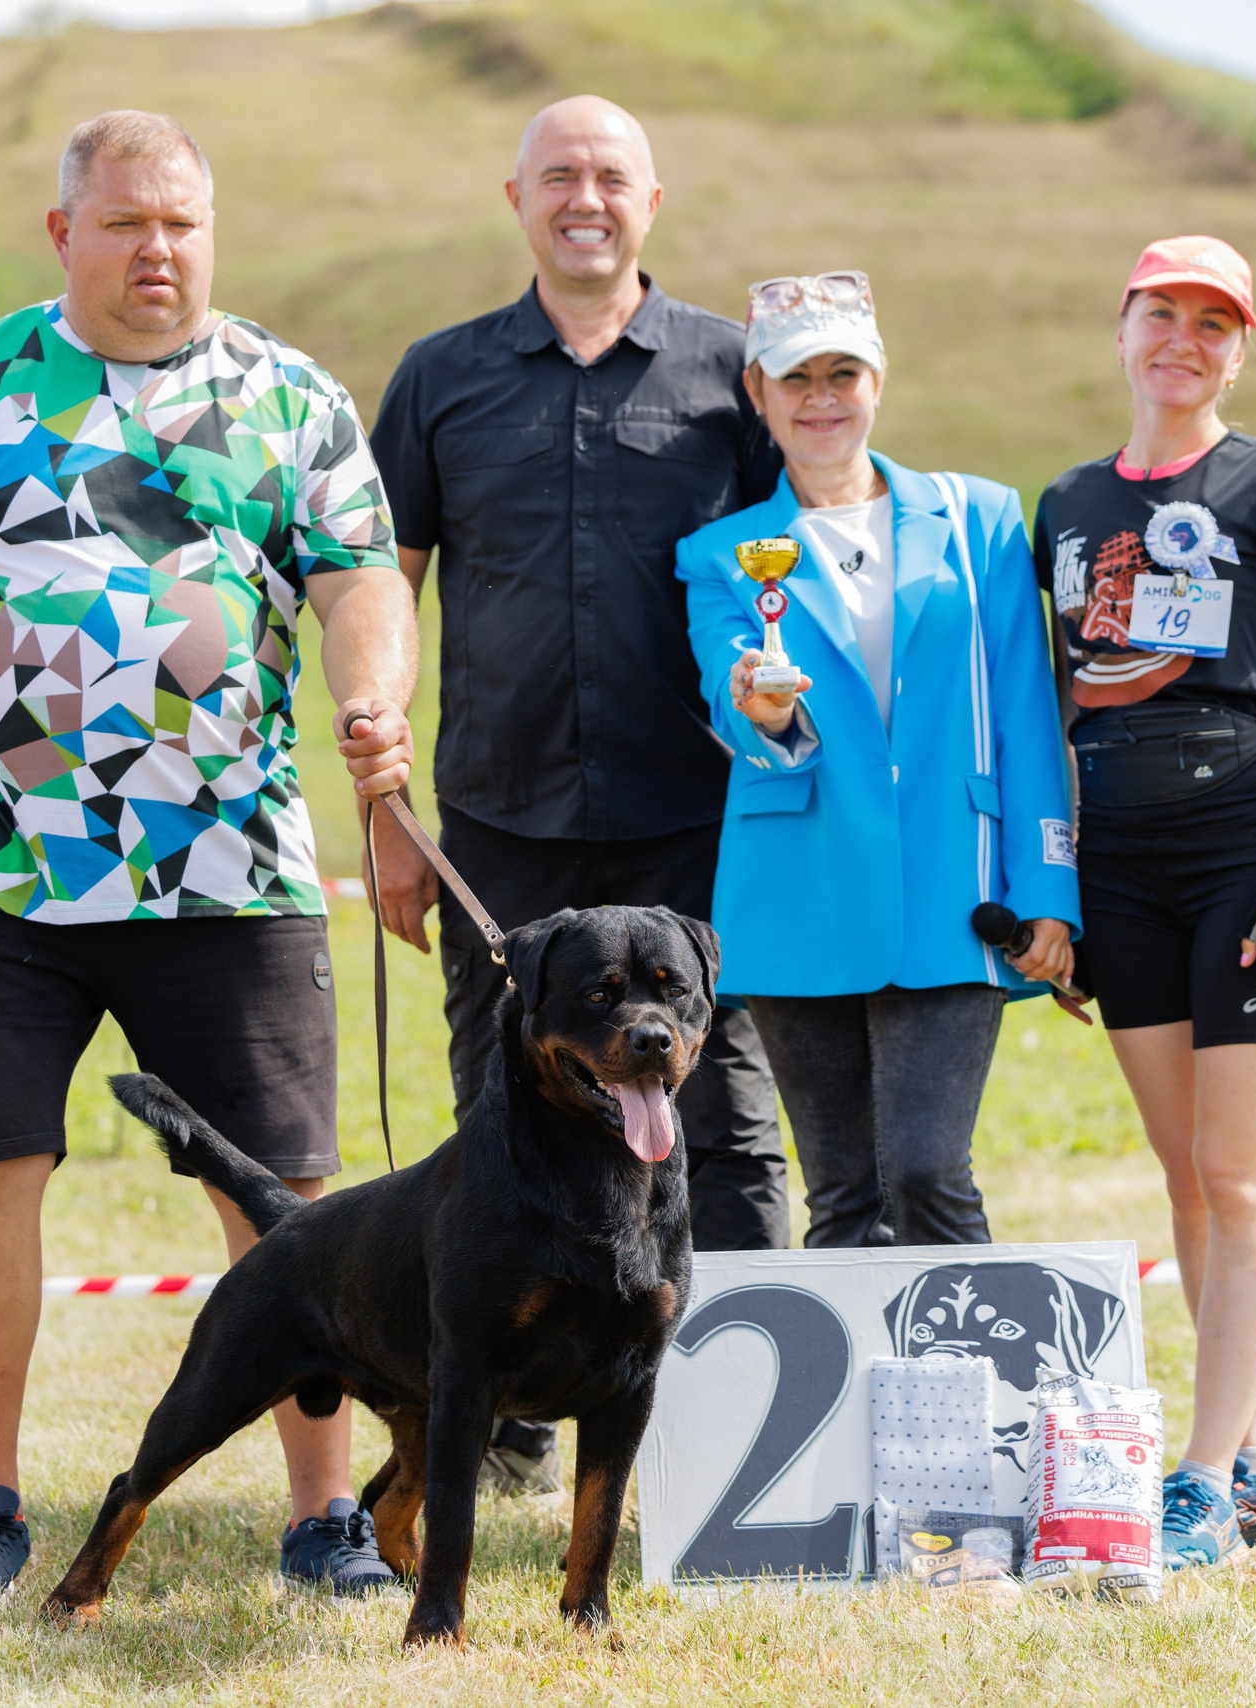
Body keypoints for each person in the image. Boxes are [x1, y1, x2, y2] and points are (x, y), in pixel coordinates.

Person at [0, 111, 422, 1606]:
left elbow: (360, 582)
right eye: (126, 223)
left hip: (230, 869)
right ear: (64, 232)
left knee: (286, 1203)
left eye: (182, 222)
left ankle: (324, 1518)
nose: (158, 250)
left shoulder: (288, 396)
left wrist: (375, 700)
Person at [368, 96, 793, 1483]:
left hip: (696, 821)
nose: (585, 198)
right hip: (497, 826)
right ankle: (501, 1433)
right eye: (558, 175)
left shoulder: (735, 375)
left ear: (652, 202)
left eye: (612, 176)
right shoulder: (439, 377)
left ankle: (739, 1442)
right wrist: (386, 816)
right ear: (517, 199)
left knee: (723, 1122)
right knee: (502, 1124)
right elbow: (383, 592)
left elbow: (801, 571)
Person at [1035, 236, 1256, 1569]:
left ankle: (1206, 1481)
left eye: (1211, 323)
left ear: (1239, 350)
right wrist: (1050, 889)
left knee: (1240, 1173)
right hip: (1117, 863)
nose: (1182, 339)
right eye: (1160, 313)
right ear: (1120, 330)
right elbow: (1052, 707)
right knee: (1184, 1176)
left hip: (1240, 849)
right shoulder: (1063, 503)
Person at [675, 271, 1082, 1248]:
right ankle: (858, 1360)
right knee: (844, 1196)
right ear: (756, 392)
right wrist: (763, 707)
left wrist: (1050, 888)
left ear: (879, 380)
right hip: (797, 892)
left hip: (958, 888)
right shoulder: (720, 553)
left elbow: (1027, 717)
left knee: (926, 1169)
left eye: (842, 373)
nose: (821, 398)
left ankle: (977, 1353)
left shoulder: (982, 519)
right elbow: (733, 698)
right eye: (796, 377)